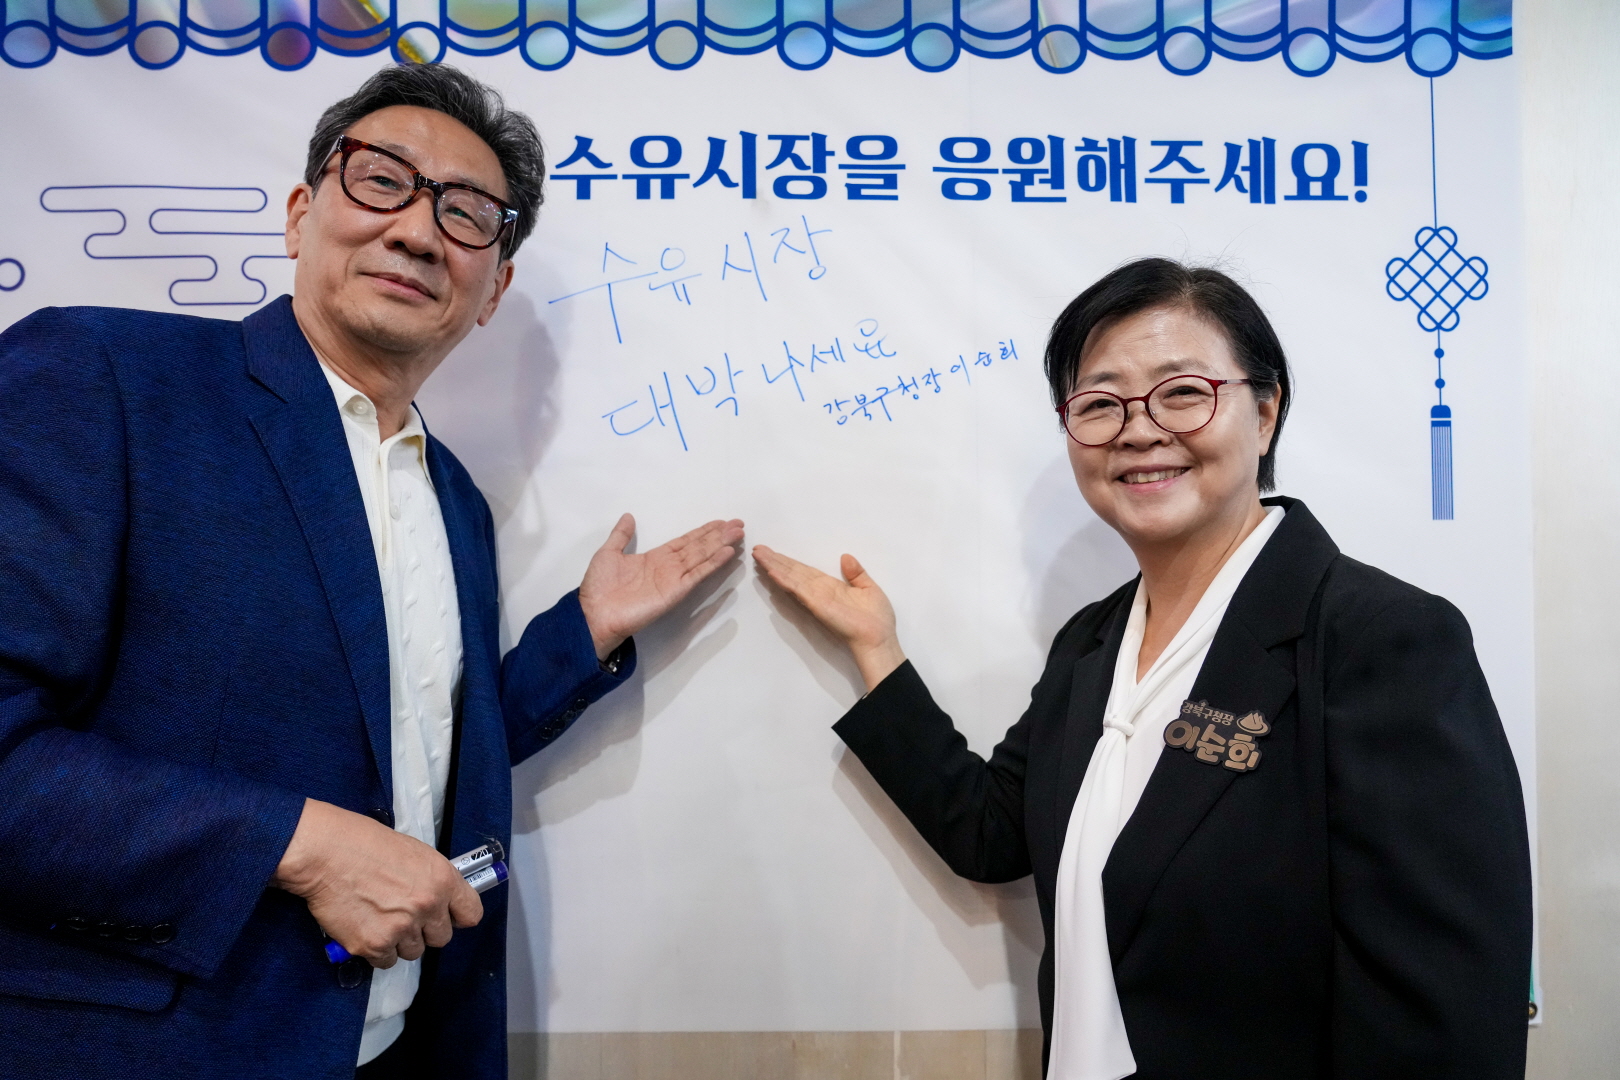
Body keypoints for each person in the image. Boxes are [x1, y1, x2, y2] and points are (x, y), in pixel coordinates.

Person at [0, 64, 742, 1079]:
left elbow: (411, 746)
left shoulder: (453, 497)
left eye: (466, 214)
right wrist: (297, 844)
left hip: (394, 1047)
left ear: (493, 290)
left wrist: (585, 633)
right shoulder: (105, 376)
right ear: (301, 215)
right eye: (382, 181)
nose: (419, 232)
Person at [754, 258, 1531, 1079]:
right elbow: (990, 834)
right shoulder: (1091, 644)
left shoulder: (1379, 640)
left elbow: (1444, 1012)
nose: (1138, 429)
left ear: (1265, 413)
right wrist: (878, 651)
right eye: (1099, 404)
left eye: (1183, 392)